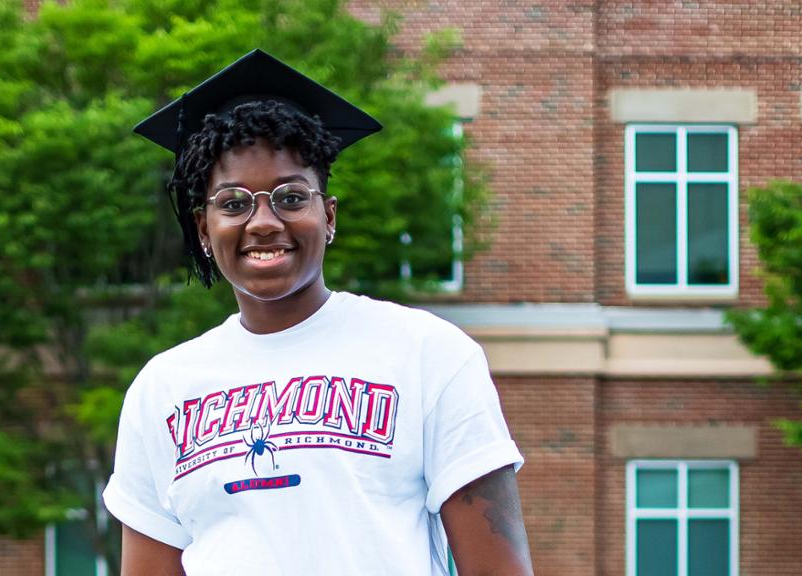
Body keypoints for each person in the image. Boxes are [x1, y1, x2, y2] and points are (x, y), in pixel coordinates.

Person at [102, 49, 533, 576]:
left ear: (327, 216)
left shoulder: (428, 354)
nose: (263, 222)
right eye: (234, 203)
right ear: (203, 230)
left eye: (289, 197)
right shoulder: (163, 388)